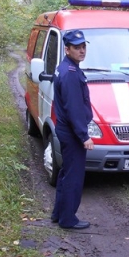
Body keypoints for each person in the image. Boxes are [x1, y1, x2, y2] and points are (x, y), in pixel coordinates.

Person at [50, 30, 95, 230]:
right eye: (77, 47)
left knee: (65, 173)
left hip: (66, 130)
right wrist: (84, 136)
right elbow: (74, 108)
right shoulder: (70, 73)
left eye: (83, 46)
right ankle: (68, 219)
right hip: (72, 133)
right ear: (67, 49)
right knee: (74, 177)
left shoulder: (67, 67)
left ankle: (59, 213)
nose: (81, 50)